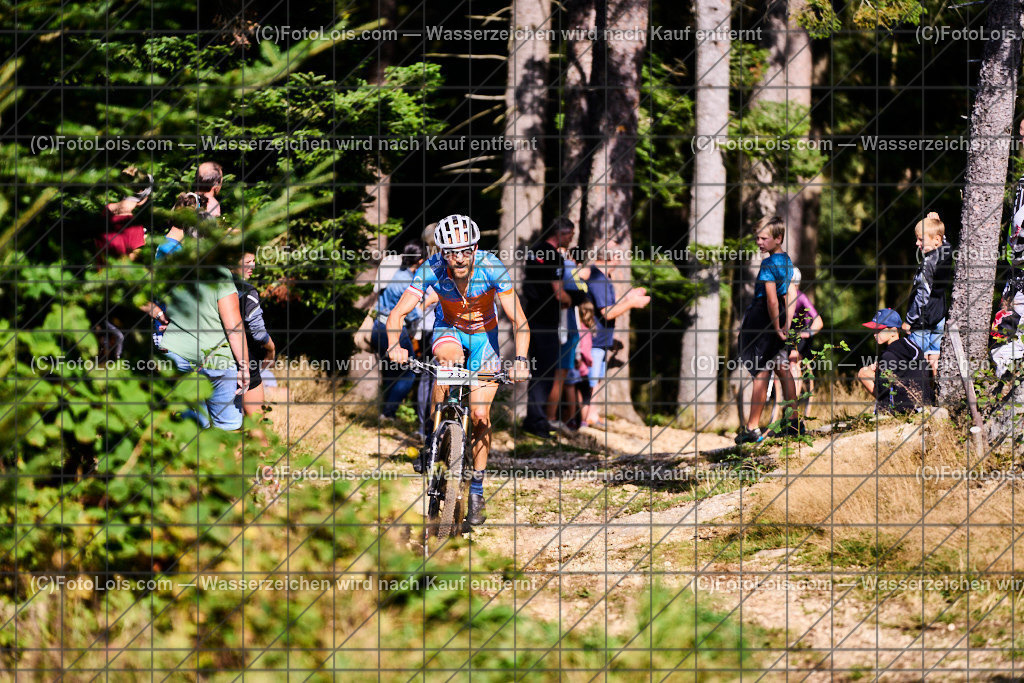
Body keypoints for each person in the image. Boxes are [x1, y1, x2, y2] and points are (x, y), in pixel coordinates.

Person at [386, 214, 530, 527]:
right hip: (448, 328)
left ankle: (476, 489)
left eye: (465, 251)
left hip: (484, 339)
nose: (459, 258)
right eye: (451, 252)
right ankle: (433, 438)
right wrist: (393, 344)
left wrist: (520, 360)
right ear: (442, 252)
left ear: (475, 247)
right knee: (447, 363)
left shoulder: (492, 267)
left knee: (480, 416)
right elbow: (397, 312)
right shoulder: (432, 269)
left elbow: (519, 320)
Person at [142, 266, 251, 431]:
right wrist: (244, 366)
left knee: (191, 429)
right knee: (228, 428)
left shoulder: (175, 267)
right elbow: (233, 326)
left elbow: (135, 294)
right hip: (216, 360)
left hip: (177, 356)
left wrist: (159, 314)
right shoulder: (219, 273)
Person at [735, 216, 799, 444]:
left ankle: (752, 428)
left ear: (778, 238)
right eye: (757, 238)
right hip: (780, 317)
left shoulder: (768, 264)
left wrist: (775, 327)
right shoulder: (786, 261)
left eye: (764, 238)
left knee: (761, 371)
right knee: (782, 369)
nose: (759, 242)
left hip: (763, 319)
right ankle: (794, 422)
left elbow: (772, 299)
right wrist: (786, 325)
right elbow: (790, 294)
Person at [579, 250, 651, 429]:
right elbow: (607, 312)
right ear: (610, 258)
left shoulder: (603, 277)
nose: (621, 260)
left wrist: (627, 298)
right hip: (594, 339)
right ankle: (584, 419)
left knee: (595, 380)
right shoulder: (597, 278)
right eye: (619, 256)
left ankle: (592, 415)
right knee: (590, 381)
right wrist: (632, 303)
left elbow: (607, 305)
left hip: (601, 339)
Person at [521, 218, 576, 438]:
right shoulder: (555, 257)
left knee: (535, 371)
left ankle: (533, 418)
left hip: (531, 317)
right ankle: (537, 421)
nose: (572, 238)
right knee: (544, 374)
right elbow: (558, 293)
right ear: (561, 233)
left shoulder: (534, 251)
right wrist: (574, 300)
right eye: (571, 234)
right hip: (547, 321)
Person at [371, 243, 435, 419]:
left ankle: (384, 411)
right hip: (394, 329)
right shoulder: (409, 281)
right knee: (409, 371)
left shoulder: (394, 273)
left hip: (377, 325)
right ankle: (388, 412)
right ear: (421, 261)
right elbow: (414, 314)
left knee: (391, 371)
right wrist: (431, 301)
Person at [903, 211, 953, 376]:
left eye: (921, 239)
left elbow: (922, 296)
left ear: (936, 240)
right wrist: (936, 225)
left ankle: (909, 397)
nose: (917, 243)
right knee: (934, 359)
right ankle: (934, 395)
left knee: (910, 359)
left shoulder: (928, 262)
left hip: (923, 319)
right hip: (939, 315)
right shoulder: (945, 251)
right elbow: (945, 242)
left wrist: (909, 320)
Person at [234, 252, 276, 445]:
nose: (252, 266)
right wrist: (271, 348)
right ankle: (267, 473)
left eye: (254, 262)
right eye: (247, 262)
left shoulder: (207, 286)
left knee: (226, 428)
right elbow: (258, 332)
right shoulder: (247, 291)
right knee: (256, 424)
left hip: (212, 361)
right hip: (244, 360)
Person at [858, 309, 934, 414]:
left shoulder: (889, 355)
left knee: (863, 372)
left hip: (904, 409)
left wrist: (880, 411)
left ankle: (886, 410)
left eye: (879, 330)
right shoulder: (911, 346)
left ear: (893, 331)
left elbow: (883, 387)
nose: (875, 334)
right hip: (926, 401)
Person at [785, 267, 823, 397]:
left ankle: (793, 399)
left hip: (802, 333)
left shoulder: (801, 298)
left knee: (793, 359)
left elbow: (818, 321)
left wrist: (810, 333)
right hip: (786, 332)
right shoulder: (780, 297)